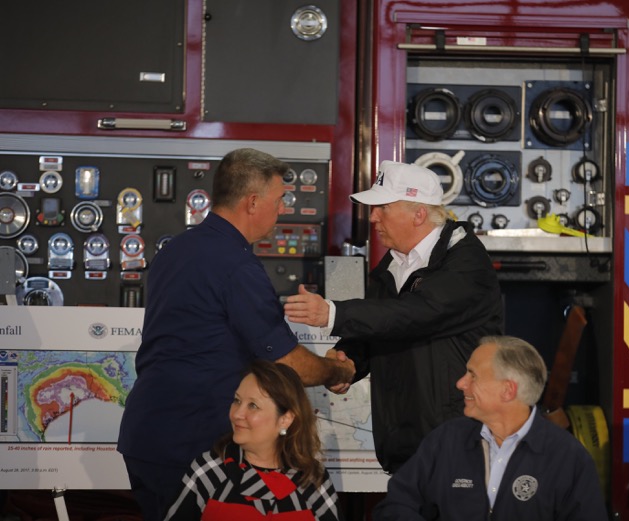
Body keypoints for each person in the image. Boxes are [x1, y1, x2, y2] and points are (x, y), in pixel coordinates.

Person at [117, 148, 354, 521]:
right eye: (279, 201)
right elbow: (285, 362)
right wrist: (336, 371)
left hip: (146, 433)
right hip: (193, 441)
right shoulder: (237, 266)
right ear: (253, 201)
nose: (282, 212)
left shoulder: (174, 251)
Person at [284, 160, 504, 473]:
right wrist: (349, 361)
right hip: (403, 444)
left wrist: (333, 313)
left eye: (383, 207)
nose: (373, 217)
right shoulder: (393, 264)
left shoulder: (466, 262)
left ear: (419, 214)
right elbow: (383, 328)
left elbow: (417, 313)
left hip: (458, 443)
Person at [372, 336, 608, 521]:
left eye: (472, 375)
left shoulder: (569, 458)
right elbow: (395, 506)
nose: (460, 383)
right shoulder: (446, 441)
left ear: (508, 390)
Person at [165, 360, 340, 521]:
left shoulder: (312, 478)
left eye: (253, 406)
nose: (237, 414)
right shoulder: (209, 471)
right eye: (237, 400)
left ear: (285, 419)